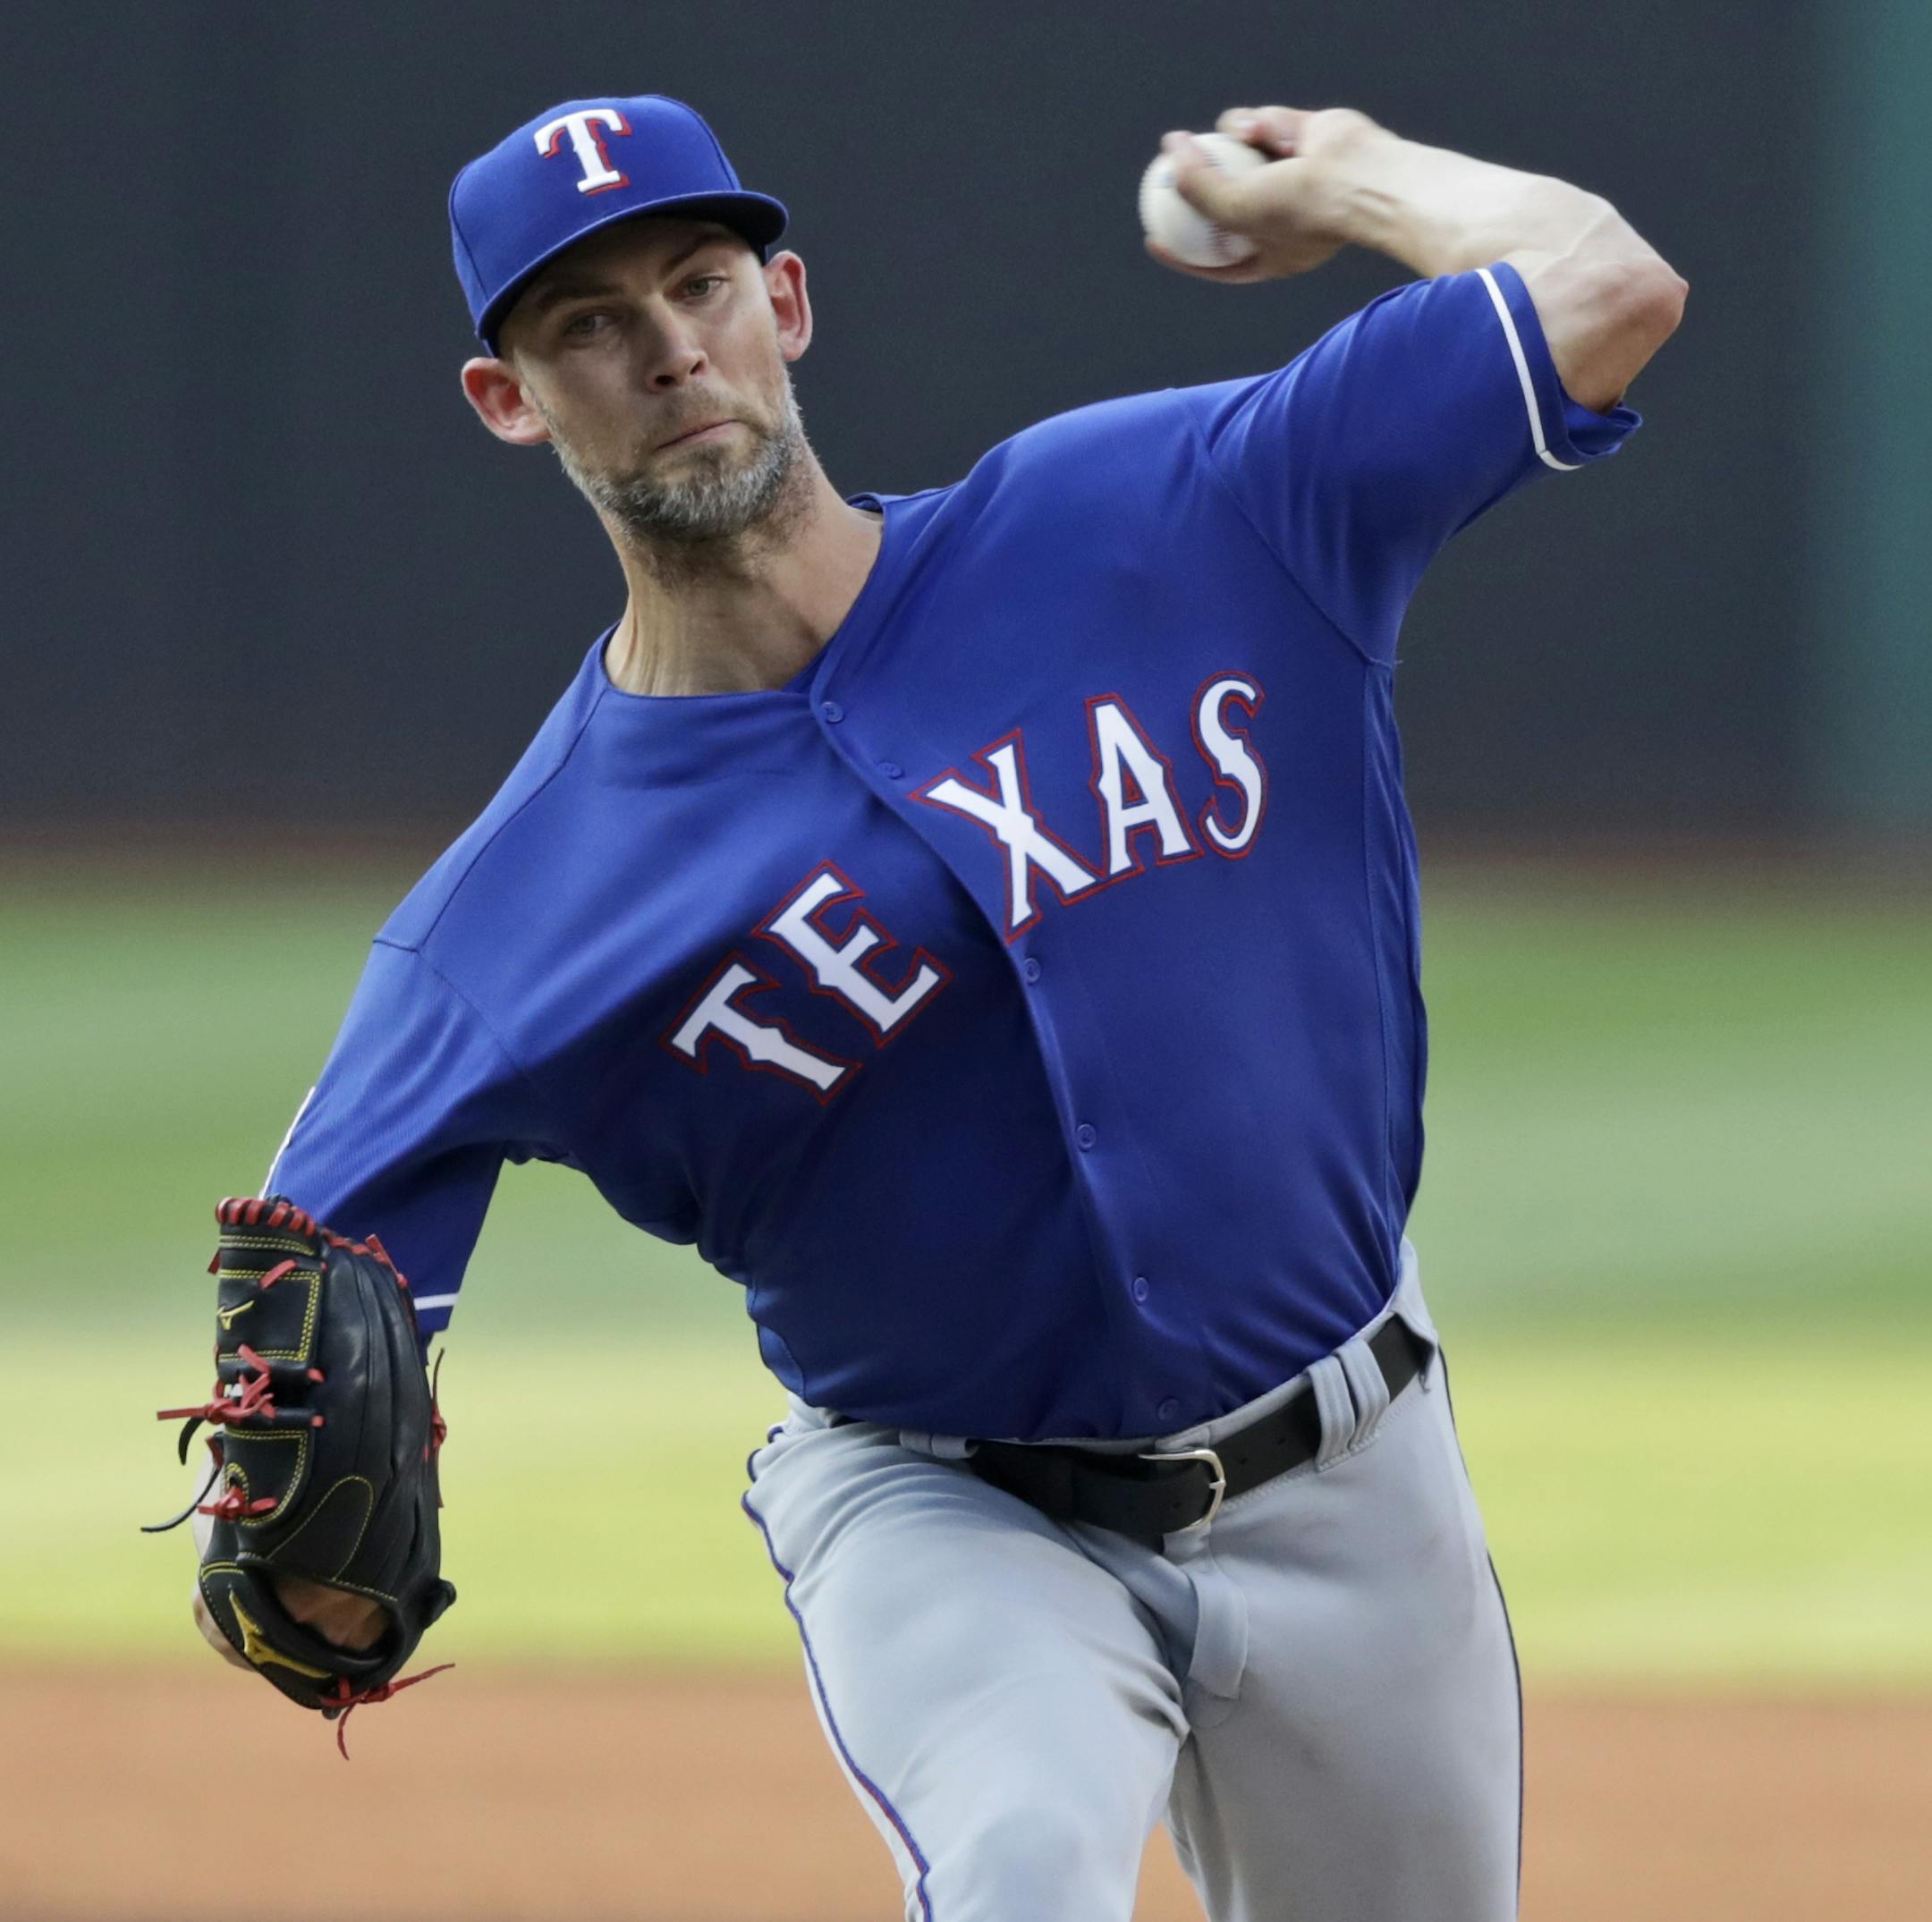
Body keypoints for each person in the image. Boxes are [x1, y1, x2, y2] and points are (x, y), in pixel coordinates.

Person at [195, 91, 1683, 1919]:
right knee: (1024, 1861)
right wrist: (298, 1557)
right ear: (513, 398)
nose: (669, 349)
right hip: (949, 1515)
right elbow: (302, 1305)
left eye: (701, 282)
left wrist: (1356, 180)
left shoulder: (1172, 514)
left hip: (1356, 1469)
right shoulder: (511, 919)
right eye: (590, 322)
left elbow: (1605, 287)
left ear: (788, 302)